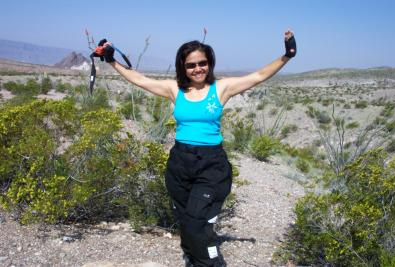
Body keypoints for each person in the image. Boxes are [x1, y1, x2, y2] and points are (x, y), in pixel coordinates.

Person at [101, 30, 296, 267]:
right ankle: (191, 258)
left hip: (211, 165)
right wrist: (112, 60)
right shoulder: (175, 89)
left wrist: (287, 55)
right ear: (183, 67)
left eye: (202, 63)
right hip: (180, 162)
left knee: (196, 222)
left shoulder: (222, 88)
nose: (197, 69)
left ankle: (211, 263)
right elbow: (139, 79)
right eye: (191, 65)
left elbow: (258, 76)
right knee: (185, 220)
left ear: (209, 63)